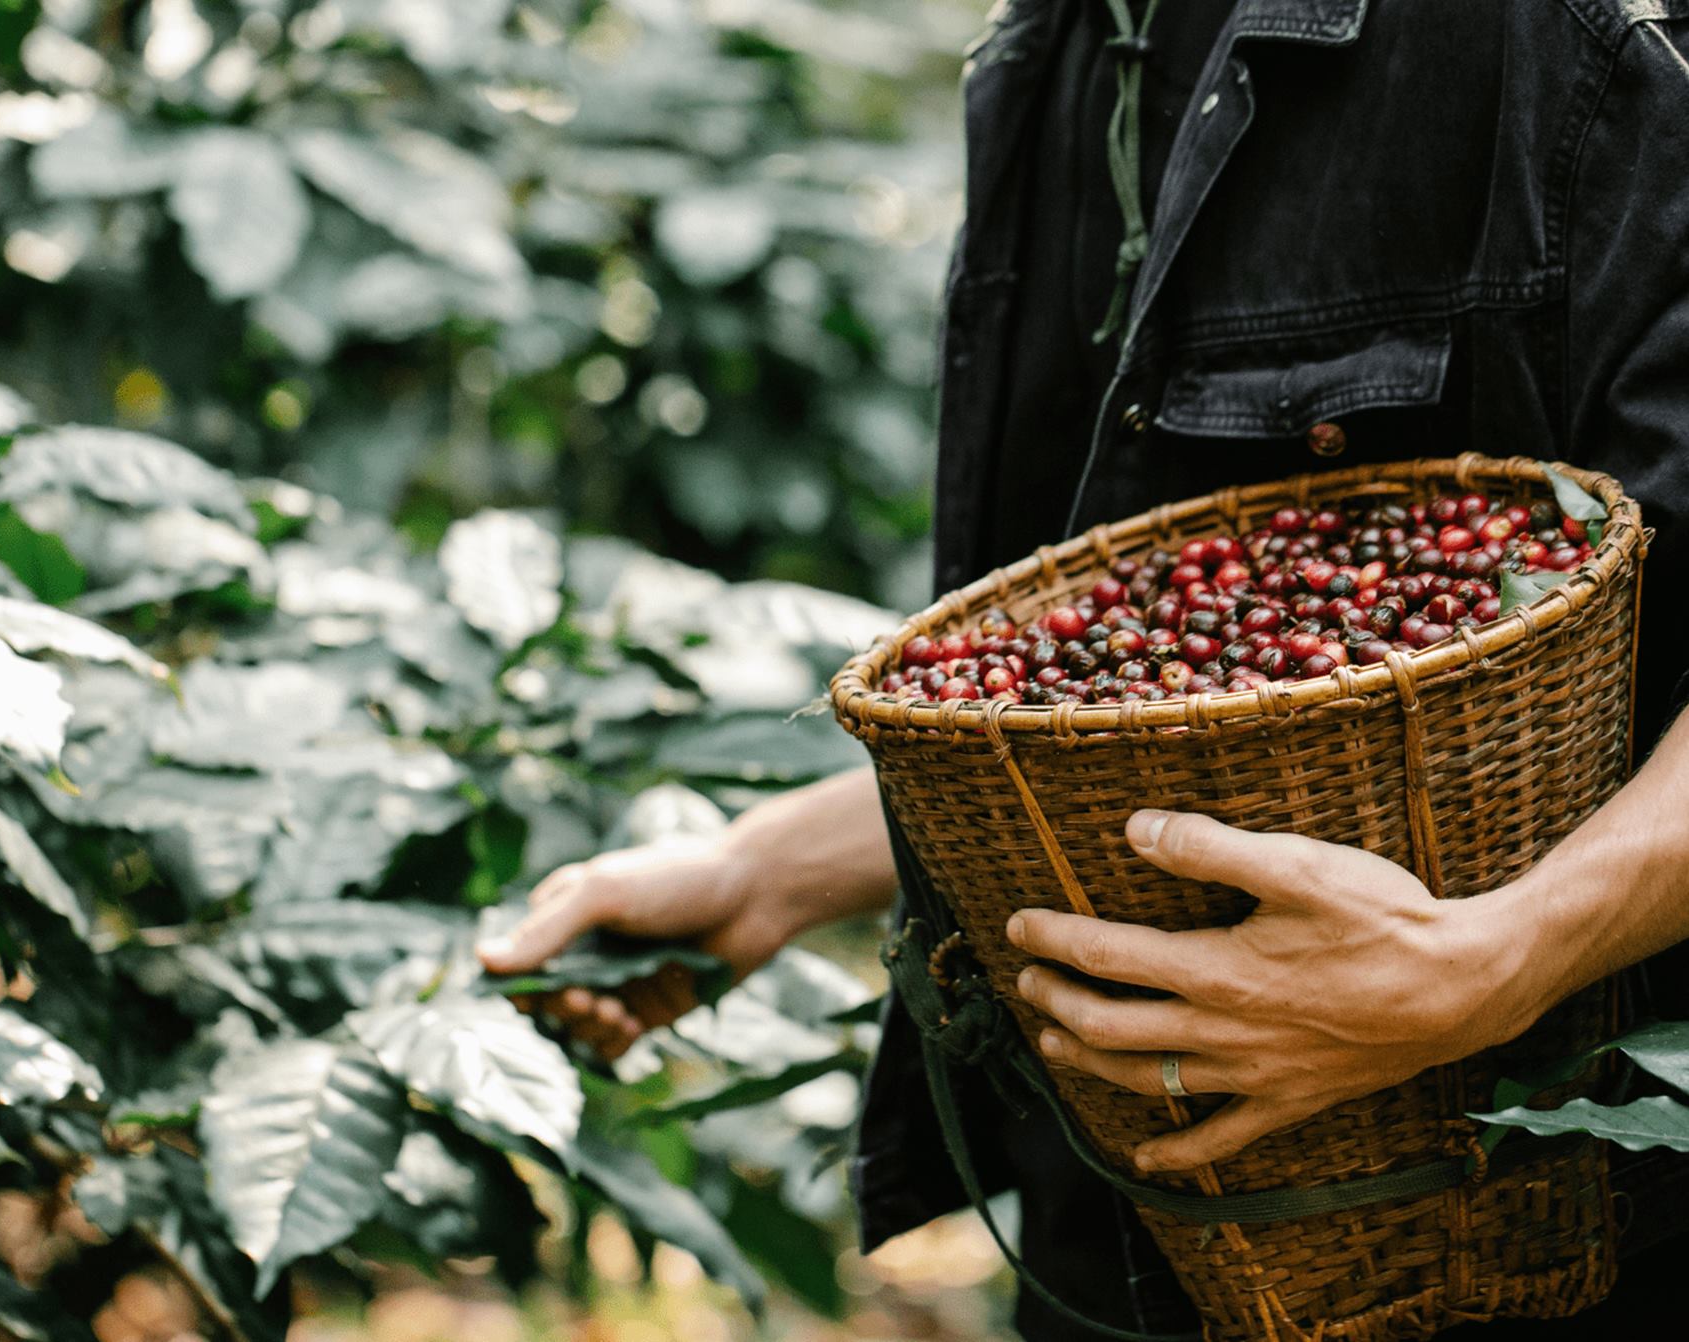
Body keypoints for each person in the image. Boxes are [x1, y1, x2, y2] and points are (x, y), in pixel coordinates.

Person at [480, 0, 1689, 1335]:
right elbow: (1158, 696)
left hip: (1546, 1214)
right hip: (1132, 1234)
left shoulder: (1578, 39)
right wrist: (762, 872)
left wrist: (1502, 952)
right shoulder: (1064, 46)